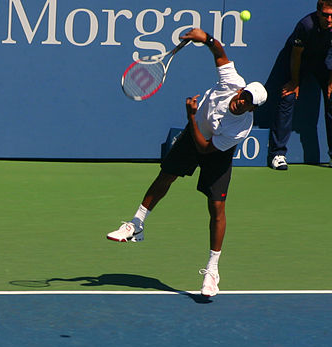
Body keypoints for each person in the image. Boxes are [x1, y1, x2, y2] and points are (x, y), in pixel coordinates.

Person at [106, 28, 267, 297]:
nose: (241, 101)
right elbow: (219, 53)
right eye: (243, 95)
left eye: (248, 103)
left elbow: (205, 150)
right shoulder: (232, 82)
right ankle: (136, 224)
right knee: (165, 175)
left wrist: (191, 116)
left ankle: (212, 270)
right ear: (241, 90)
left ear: (252, 109)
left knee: (216, 208)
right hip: (196, 134)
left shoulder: (241, 127)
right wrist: (207, 38)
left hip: (213, 150)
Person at [269, 0, 332, 170]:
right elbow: (296, 55)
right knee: (288, 95)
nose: (329, 19)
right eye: (326, 15)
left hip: (324, 62)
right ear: (318, 13)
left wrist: (331, 83)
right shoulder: (306, 25)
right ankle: (278, 154)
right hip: (300, 61)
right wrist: (294, 82)